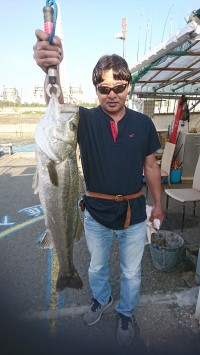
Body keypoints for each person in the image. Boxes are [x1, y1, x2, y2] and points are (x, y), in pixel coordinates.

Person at [33, 29, 164, 347]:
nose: (112, 94)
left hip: (133, 212)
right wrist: (52, 67)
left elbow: (151, 166)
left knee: (131, 273)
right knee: (96, 265)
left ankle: (126, 312)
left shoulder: (143, 124)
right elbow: (57, 105)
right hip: (95, 213)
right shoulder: (85, 119)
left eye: (119, 87)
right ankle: (101, 299)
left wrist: (158, 204)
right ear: (96, 89)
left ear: (127, 86)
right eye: (104, 88)